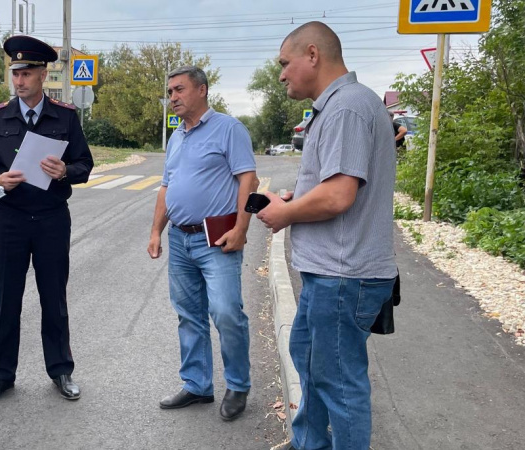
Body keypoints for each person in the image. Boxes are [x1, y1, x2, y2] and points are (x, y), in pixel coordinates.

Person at [256, 21, 398, 450]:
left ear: (312, 55)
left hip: (343, 275)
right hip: (335, 274)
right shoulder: (344, 106)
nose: (281, 74)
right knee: (314, 367)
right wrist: (296, 198)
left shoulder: (346, 108)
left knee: (340, 385)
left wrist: (285, 214)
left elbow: (338, 195)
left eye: (285, 63)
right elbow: (333, 185)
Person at [0, 35, 94, 403]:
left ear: (43, 74)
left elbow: (85, 166)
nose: (19, 80)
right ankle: (2, 375)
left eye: (26, 73)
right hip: (9, 220)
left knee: (53, 298)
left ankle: (61, 371)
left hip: (52, 219)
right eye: (15, 73)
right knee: (7, 299)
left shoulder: (65, 117)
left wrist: (64, 172)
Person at [147, 65, 258, 421]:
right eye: (170, 92)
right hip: (180, 239)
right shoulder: (176, 137)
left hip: (218, 238)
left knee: (226, 312)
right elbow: (167, 187)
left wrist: (242, 229)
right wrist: (155, 232)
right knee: (188, 315)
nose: (173, 98)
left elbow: (248, 180)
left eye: (179, 90)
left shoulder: (229, 129)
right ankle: (197, 385)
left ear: (202, 90)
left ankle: (238, 385)